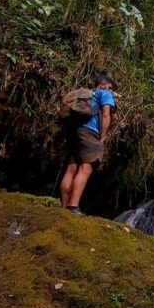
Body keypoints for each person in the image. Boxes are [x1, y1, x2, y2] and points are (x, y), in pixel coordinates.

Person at [60, 73, 117, 214]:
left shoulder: (86, 95)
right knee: (86, 168)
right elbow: (105, 115)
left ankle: (63, 207)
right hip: (90, 133)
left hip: (75, 133)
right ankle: (73, 206)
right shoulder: (104, 94)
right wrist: (102, 137)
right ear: (102, 85)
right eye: (109, 87)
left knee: (71, 169)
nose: (110, 91)